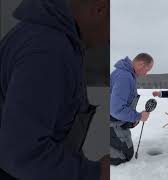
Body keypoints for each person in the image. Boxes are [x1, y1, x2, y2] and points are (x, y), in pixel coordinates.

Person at [0, 0, 109, 179]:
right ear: (99, 9)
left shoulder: (54, 39)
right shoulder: (47, 50)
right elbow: (23, 155)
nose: (109, 40)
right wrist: (96, 174)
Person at [110, 53, 154, 165]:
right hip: (111, 121)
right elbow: (116, 110)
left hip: (117, 120)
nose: (146, 74)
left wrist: (131, 120)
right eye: (147, 70)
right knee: (124, 156)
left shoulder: (127, 74)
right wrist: (138, 116)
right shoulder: (125, 76)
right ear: (141, 64)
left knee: (127, 150)